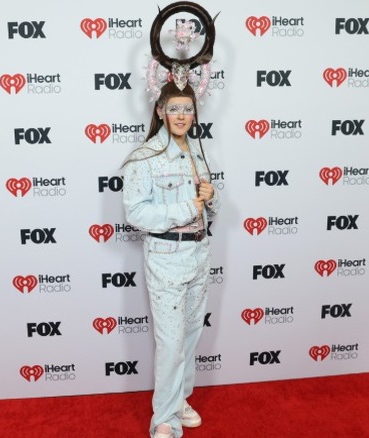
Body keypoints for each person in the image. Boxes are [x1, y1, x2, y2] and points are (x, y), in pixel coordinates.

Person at [122, 80, 220, 438]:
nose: (181, 116)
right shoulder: (144, 157)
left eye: (187, 109)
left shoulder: (197, 152)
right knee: (171, 343)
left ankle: (179, 400)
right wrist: (185, 208)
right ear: (161, 111)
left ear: (195, 114)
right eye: (174, 108)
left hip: (198, 254)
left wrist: (211, 197)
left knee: (191, 335)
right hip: (166, 258)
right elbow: (135, 213)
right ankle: (164, 419)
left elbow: (209, 210)